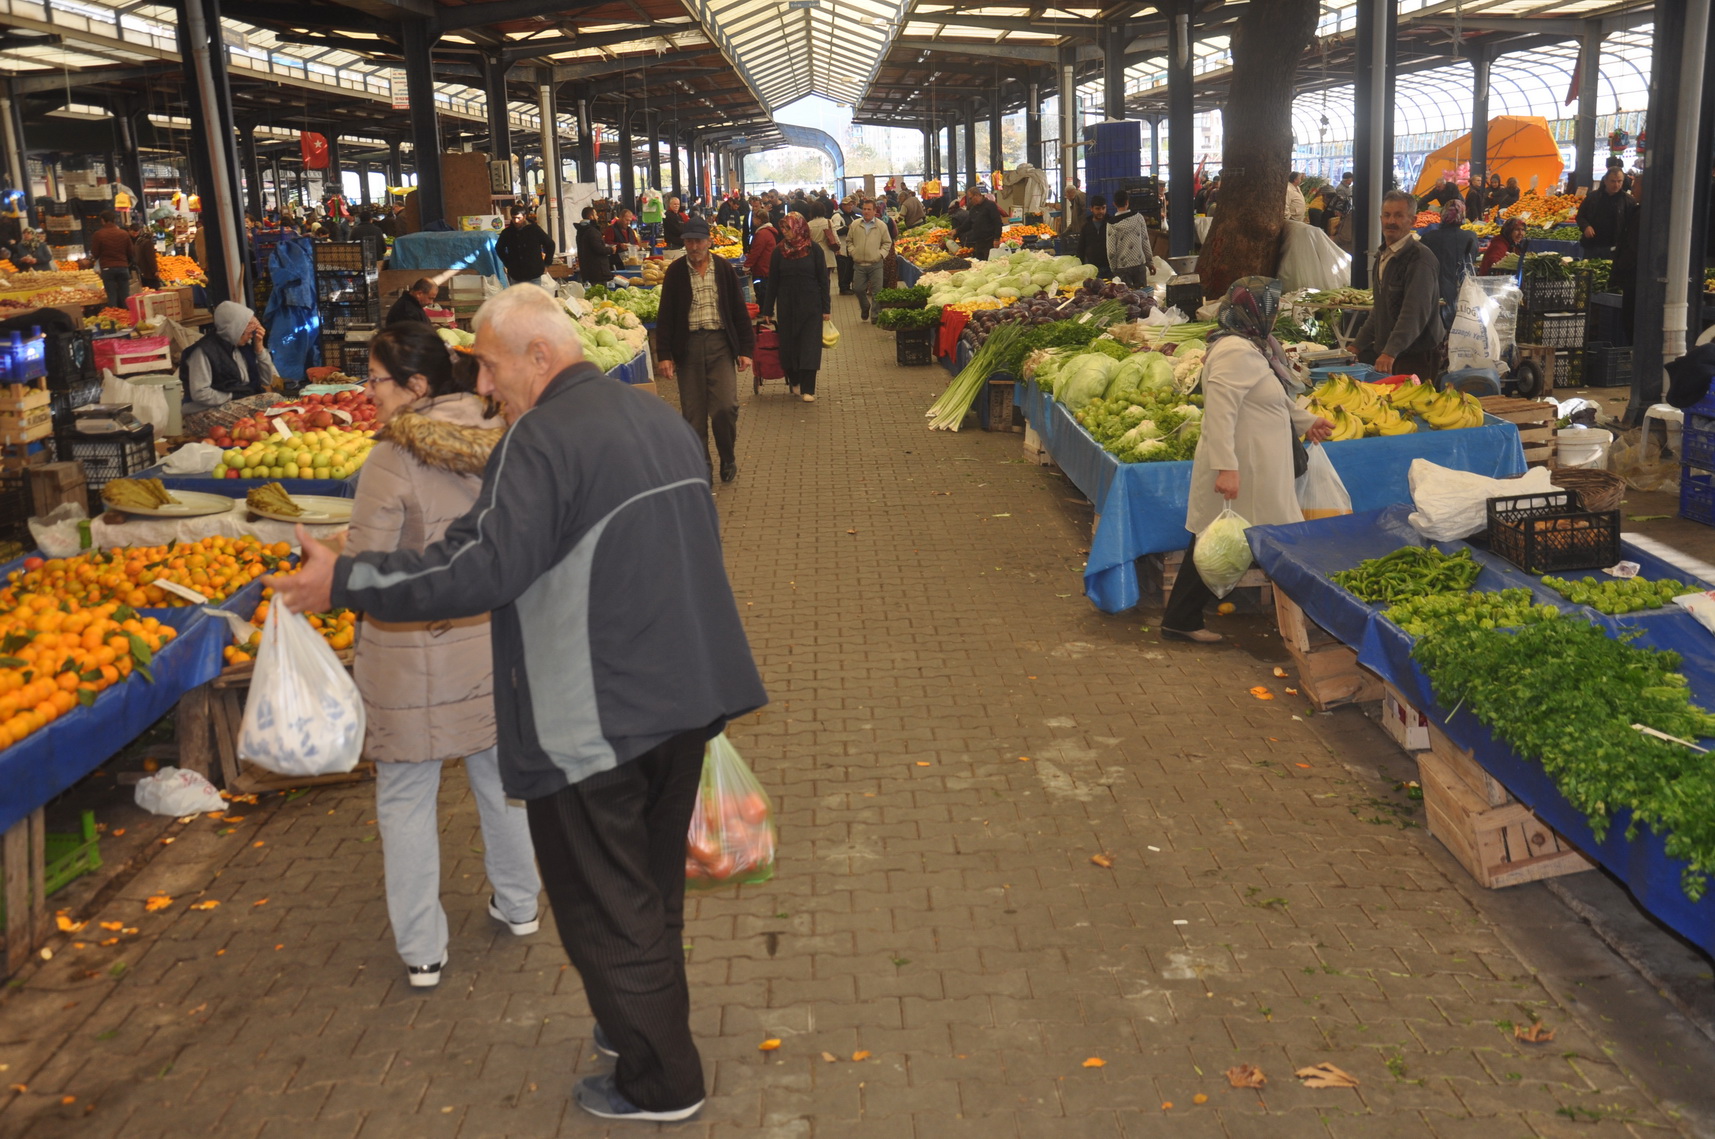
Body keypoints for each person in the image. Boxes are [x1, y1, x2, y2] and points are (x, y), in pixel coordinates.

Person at [266, 283, 767, 1124]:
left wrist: (344, 579)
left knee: (604, 903)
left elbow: (480, 569)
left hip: (597, 713)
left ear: (540, 355)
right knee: (644, 890)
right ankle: (632, 1023)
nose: (486, 387)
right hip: (682, 701)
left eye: (492, 368)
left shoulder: (538, 442)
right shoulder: (654, 420)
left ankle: (662, 1081)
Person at [348, 323, 541, 991]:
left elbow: (363, 564)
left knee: (405, 794)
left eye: (375, 379)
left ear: (416, 386)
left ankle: (423, 950)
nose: (368, 392)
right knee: (499, 779)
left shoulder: (390, 458)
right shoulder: (503, 436)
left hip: (408, 650)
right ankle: (520, 906)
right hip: (490, 641)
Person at [1162, 279, 1335, 644]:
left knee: (1218, 538)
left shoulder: (1253, 346)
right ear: (1254, 314)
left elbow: (1272, 399)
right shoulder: (1234, 352)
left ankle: (1181, 619)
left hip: (1258, 469)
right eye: (1269, 309)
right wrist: (1227, 467)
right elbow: (1221, 412)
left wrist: (1308, 422)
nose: (1273, 317)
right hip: (1245, 469)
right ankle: (1310, 624)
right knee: (1263, 538)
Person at [658, 218, 755, 484]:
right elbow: (665, 314)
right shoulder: (676, 271)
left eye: (698, 241)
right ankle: (702, 467)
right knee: (693, 415)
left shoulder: (722, 268)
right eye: (689, 241)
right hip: (687, 348)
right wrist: (664, 354)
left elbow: (738, 309)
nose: (693, 246)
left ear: (709, 242)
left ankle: (727, 456)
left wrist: (746, 349)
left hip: (720, 345)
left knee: (725, 407)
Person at [1354, 190, 1445, 378]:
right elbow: (1380, 310)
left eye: (1398, 215)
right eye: (1387, 215)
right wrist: (1356, 345)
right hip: (1391, 355)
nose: (1391, 221)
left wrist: (1390, 351)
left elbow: (1414, 312)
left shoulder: (1420, 259)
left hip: (1416, 356)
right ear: (1380, 218)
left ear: (1412, 221)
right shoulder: (1383, 256)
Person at [179, 300, 280, 436]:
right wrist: (233, 396)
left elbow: (267, 380)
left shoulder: (243, 348)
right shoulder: (203, 351)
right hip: (203, 413)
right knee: (273, 401)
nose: (251, 336)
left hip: (233, 404)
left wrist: (260, 350)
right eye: (248, 332)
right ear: (235, 329)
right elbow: (200, 393)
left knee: (277, 408)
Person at [760, 215, 831, 404]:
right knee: (790, 347)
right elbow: (772, 282)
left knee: (809, 347)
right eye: (783, 228)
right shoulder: (778, 252)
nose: (785, 232)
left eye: (788, 228)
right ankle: (795, 380)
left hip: (811, 307)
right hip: (786, 306)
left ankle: (808, 388)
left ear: (799, 228)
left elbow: (823, 280)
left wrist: (826, 308)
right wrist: (767, 309)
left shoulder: (814, 250)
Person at [1417, 198, 1479, 321]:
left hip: (1436, 294)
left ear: (1443, 214)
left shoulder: (1429, 238)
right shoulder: (1471, 237)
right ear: (1463, 216)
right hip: (1464, 293)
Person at [845, 198, 892, 323]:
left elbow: (887, 242)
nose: (866, 212)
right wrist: (853, 252)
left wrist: (880, 254)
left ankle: (875, 316)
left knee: (877, 292)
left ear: (874, 211)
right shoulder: (855, 224)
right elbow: (849, 241)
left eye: (869, 209)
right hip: (859, 264)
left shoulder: (881, 226)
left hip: (875, 264)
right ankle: (865, 306)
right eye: (864, 209)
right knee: (858, 289)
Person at [1575, 167, 1634, 258]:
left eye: (1619, 181)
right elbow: (1580, 216)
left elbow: (1631, 225)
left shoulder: (1628, 201)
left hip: (1615, 248)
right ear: (1605, 181)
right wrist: (1586, 226)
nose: (1616, 185)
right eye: (1613, 181)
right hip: (1592, 246)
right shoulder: (1592, 197)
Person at [494, 208, 555, 287]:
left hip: (534, 274)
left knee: (533, 298)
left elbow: (550, 244)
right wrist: (508, 264)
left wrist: (547, 264)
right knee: (518, 299)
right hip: (516, 275)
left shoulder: (535, 230)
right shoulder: (507, 233)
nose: (516, 221)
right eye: (513, 218)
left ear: (524, 217)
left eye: (518, 218)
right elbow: (499, 248)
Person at [90, 209, 133, 310]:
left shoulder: (98, 234)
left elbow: (95, 253)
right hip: (123, 267)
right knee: (125, 296)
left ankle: (115, 319)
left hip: (107, 268)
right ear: (114, 220)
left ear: (103, 220)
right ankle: (129, 317)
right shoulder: (124, 233)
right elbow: (131, 252)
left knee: (112, 296)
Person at [1106, 189, 1150, 288]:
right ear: (1127, 202)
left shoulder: (1112, 223)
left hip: (1122, 268)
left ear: (1114, 204)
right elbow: (1145, 241)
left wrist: (1114, 269)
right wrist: (1150, 262)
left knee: (1127, 299)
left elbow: (1111, 252)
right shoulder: (1139, 218)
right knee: (1143, 298)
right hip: (1139, 264)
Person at [742, 204, 778, 311]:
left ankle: (764, 311)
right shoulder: (767, 232)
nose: (752, 219)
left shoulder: (762, 234)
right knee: (764, 290)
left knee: (762, 290)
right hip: (766, 267)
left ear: (760, 220)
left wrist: (747, 266)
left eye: (754, 217)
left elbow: (756, 252)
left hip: (762, 268)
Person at [576, 206, 616, 284]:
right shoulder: (592, 231)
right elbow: (598, 249)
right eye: (596, 214)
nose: (597, 217)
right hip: (598, 272)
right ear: (591, 216)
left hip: (587, 271)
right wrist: (611, 250)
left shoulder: (580, 231)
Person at [806, 202, 841, 291]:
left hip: (813, 254)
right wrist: (838, 247)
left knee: (815, 276)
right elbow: (835, 238)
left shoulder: (808, 225)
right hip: (827, 252)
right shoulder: (828, 222)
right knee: (826, 276)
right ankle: (825, 294)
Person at [964, 186, 1003, 261]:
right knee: (980, 263)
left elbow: (997, 222)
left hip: (989, 241)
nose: (970, 201)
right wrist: (956, 231)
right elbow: (968, 223)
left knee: (989, 262)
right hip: (978, 242)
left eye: (970, 198)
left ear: (977, 195)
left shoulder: (990, 205)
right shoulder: (973, 208)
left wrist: (997, 238)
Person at [1077, 195, 1111, 277]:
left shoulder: (1111, 224)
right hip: (1092, 268)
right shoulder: (1086, 227)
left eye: (1103, 208)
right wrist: (1079, 266)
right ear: (1091, 209)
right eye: (1098, 209)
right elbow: (1081, 247)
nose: (1101, 211)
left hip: (1109, 268)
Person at [126, 222, 161, 290]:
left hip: (139, 271)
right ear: (129, 230)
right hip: (144, 272)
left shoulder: (139, 241)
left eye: (137, 233)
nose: (135, 235)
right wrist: (155, 270)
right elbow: (151, 258)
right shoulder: (145, 242)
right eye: (134, 233)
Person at [833, 197, 857, 295]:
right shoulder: (837, 216)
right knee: (844, 268)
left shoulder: (852, 215)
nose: (850, 206)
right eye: (848, 205)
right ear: (842, 206)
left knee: (850, 268)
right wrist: (848, 228)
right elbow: (835, 231)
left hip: (851, 248)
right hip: (842, 248)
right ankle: (843, 287)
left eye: (851, 204)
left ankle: (848, 286)